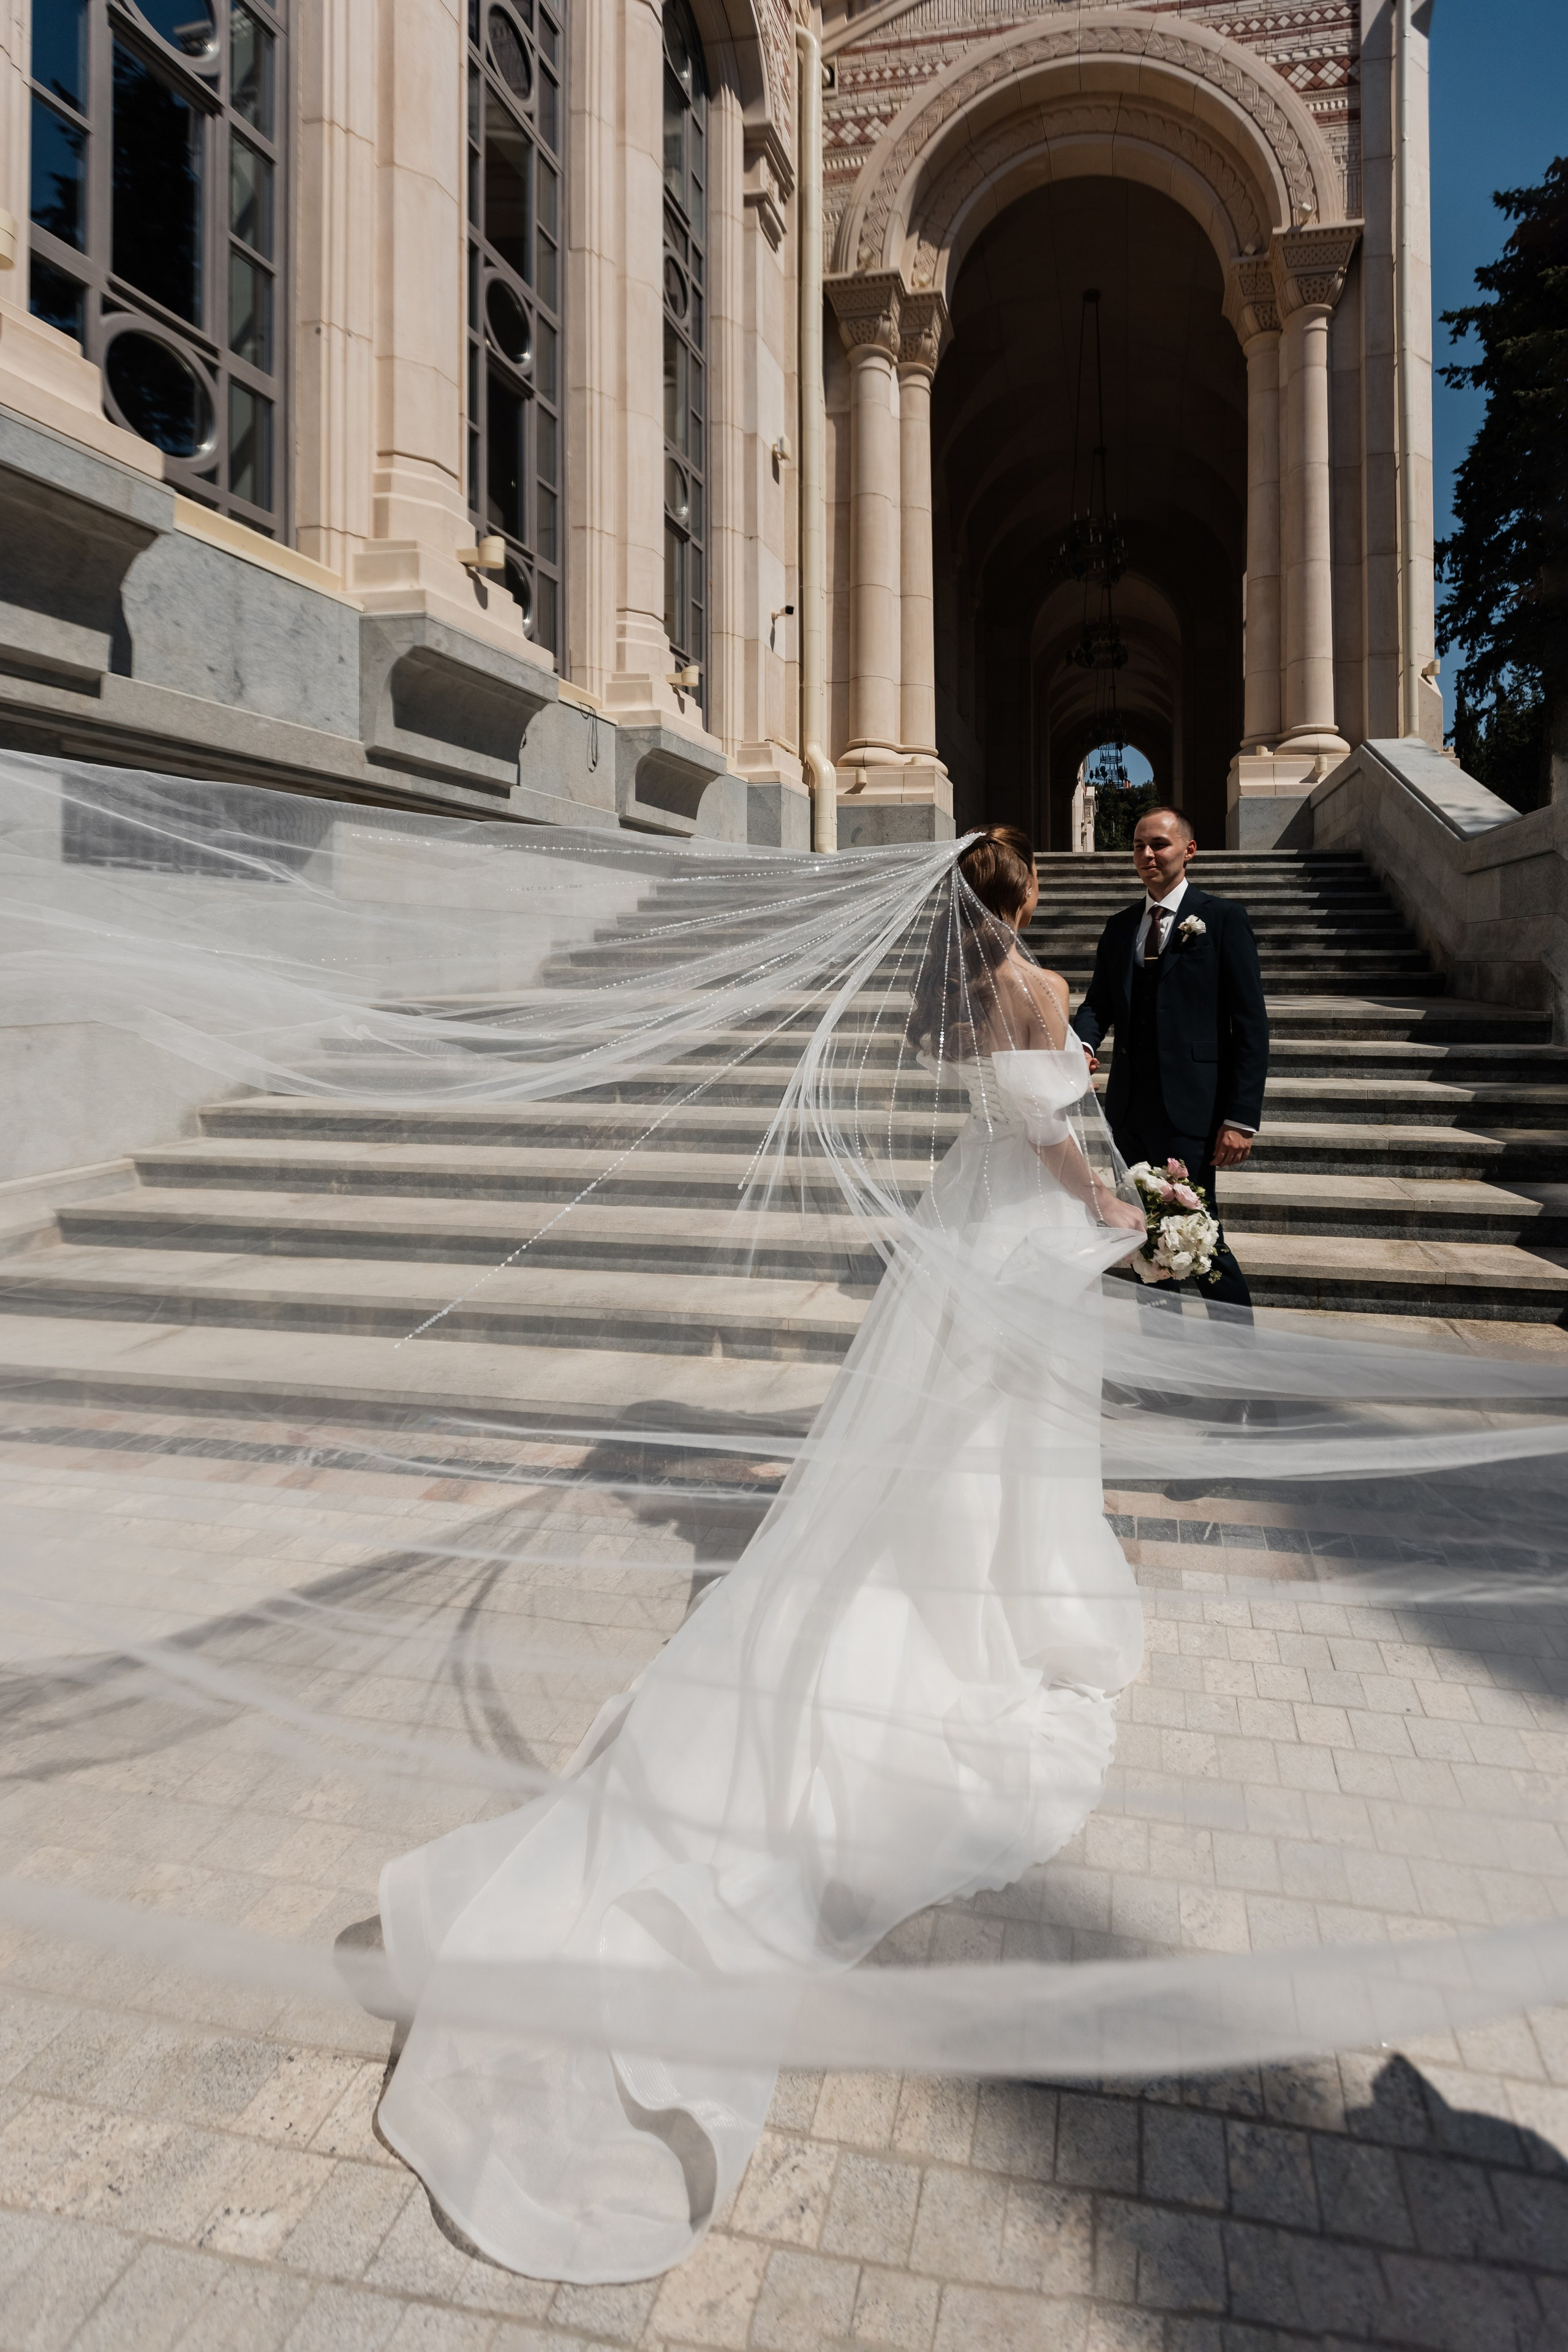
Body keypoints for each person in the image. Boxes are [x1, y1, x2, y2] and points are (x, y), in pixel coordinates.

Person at [374, 823, 1148, 2285]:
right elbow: (1052, 1134)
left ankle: (955, 1591)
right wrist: (1118, 1202)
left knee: (946, 1451)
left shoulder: (944, 996)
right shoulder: (1035, 988)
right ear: (1024, 893)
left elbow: (993, 1100)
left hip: (956, 1235)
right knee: (1007, 1449)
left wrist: (1067, 1130)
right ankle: (991, 1622)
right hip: (1025, 1233)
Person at [1069, 805, 1268, 1311]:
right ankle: (1163, 1378)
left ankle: (1240, 1367)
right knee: (1143, 1241)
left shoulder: (1222, 919)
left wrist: (1240, 1118)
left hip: (1194, 1112)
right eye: (1138, 845)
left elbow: (1250, 1027)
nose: (1147, 855)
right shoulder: (1119, 928)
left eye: (1158, 844)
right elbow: (1099, 1003)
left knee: (1201, 1240)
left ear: (1188, 850)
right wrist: (1083, 1045)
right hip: (1131, 1112)